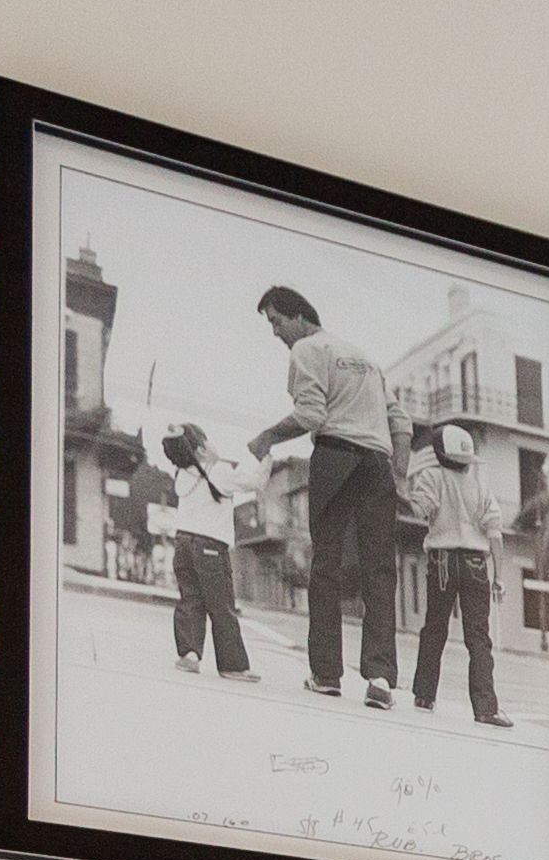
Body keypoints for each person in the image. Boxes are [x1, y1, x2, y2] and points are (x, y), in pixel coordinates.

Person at [243, 287, 393, 704]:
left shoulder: (308, 350)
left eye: (276, 321)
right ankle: (380, 679)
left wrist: (267, 437)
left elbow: (312, 415)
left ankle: (326, 674)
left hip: (337, 456)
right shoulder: (364, 356)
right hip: (378, 463)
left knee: (325, 565)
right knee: (379, 568)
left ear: (299, 317)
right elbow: (397, 416)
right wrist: (394, 467)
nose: (275, 333)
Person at [403, 421, 509, 727]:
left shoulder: (431, 476)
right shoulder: (479, 483)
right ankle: (485, 708)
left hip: (443, 561)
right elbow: (495, 533)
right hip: (477, 563)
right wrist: (498, 576)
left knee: (434, 627)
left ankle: (424, 694)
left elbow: (420, 510)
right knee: (479, 637)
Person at [152, 427, 254, 680]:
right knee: (221, 606)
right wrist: (266, 456)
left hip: (183, 543)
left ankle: (190, 655)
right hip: (210, 547)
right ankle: (232, 665)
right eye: (208, 440)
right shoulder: (219, 471)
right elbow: (256, 483)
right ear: (201, 449)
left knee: (191, 599)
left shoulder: (182, 475)